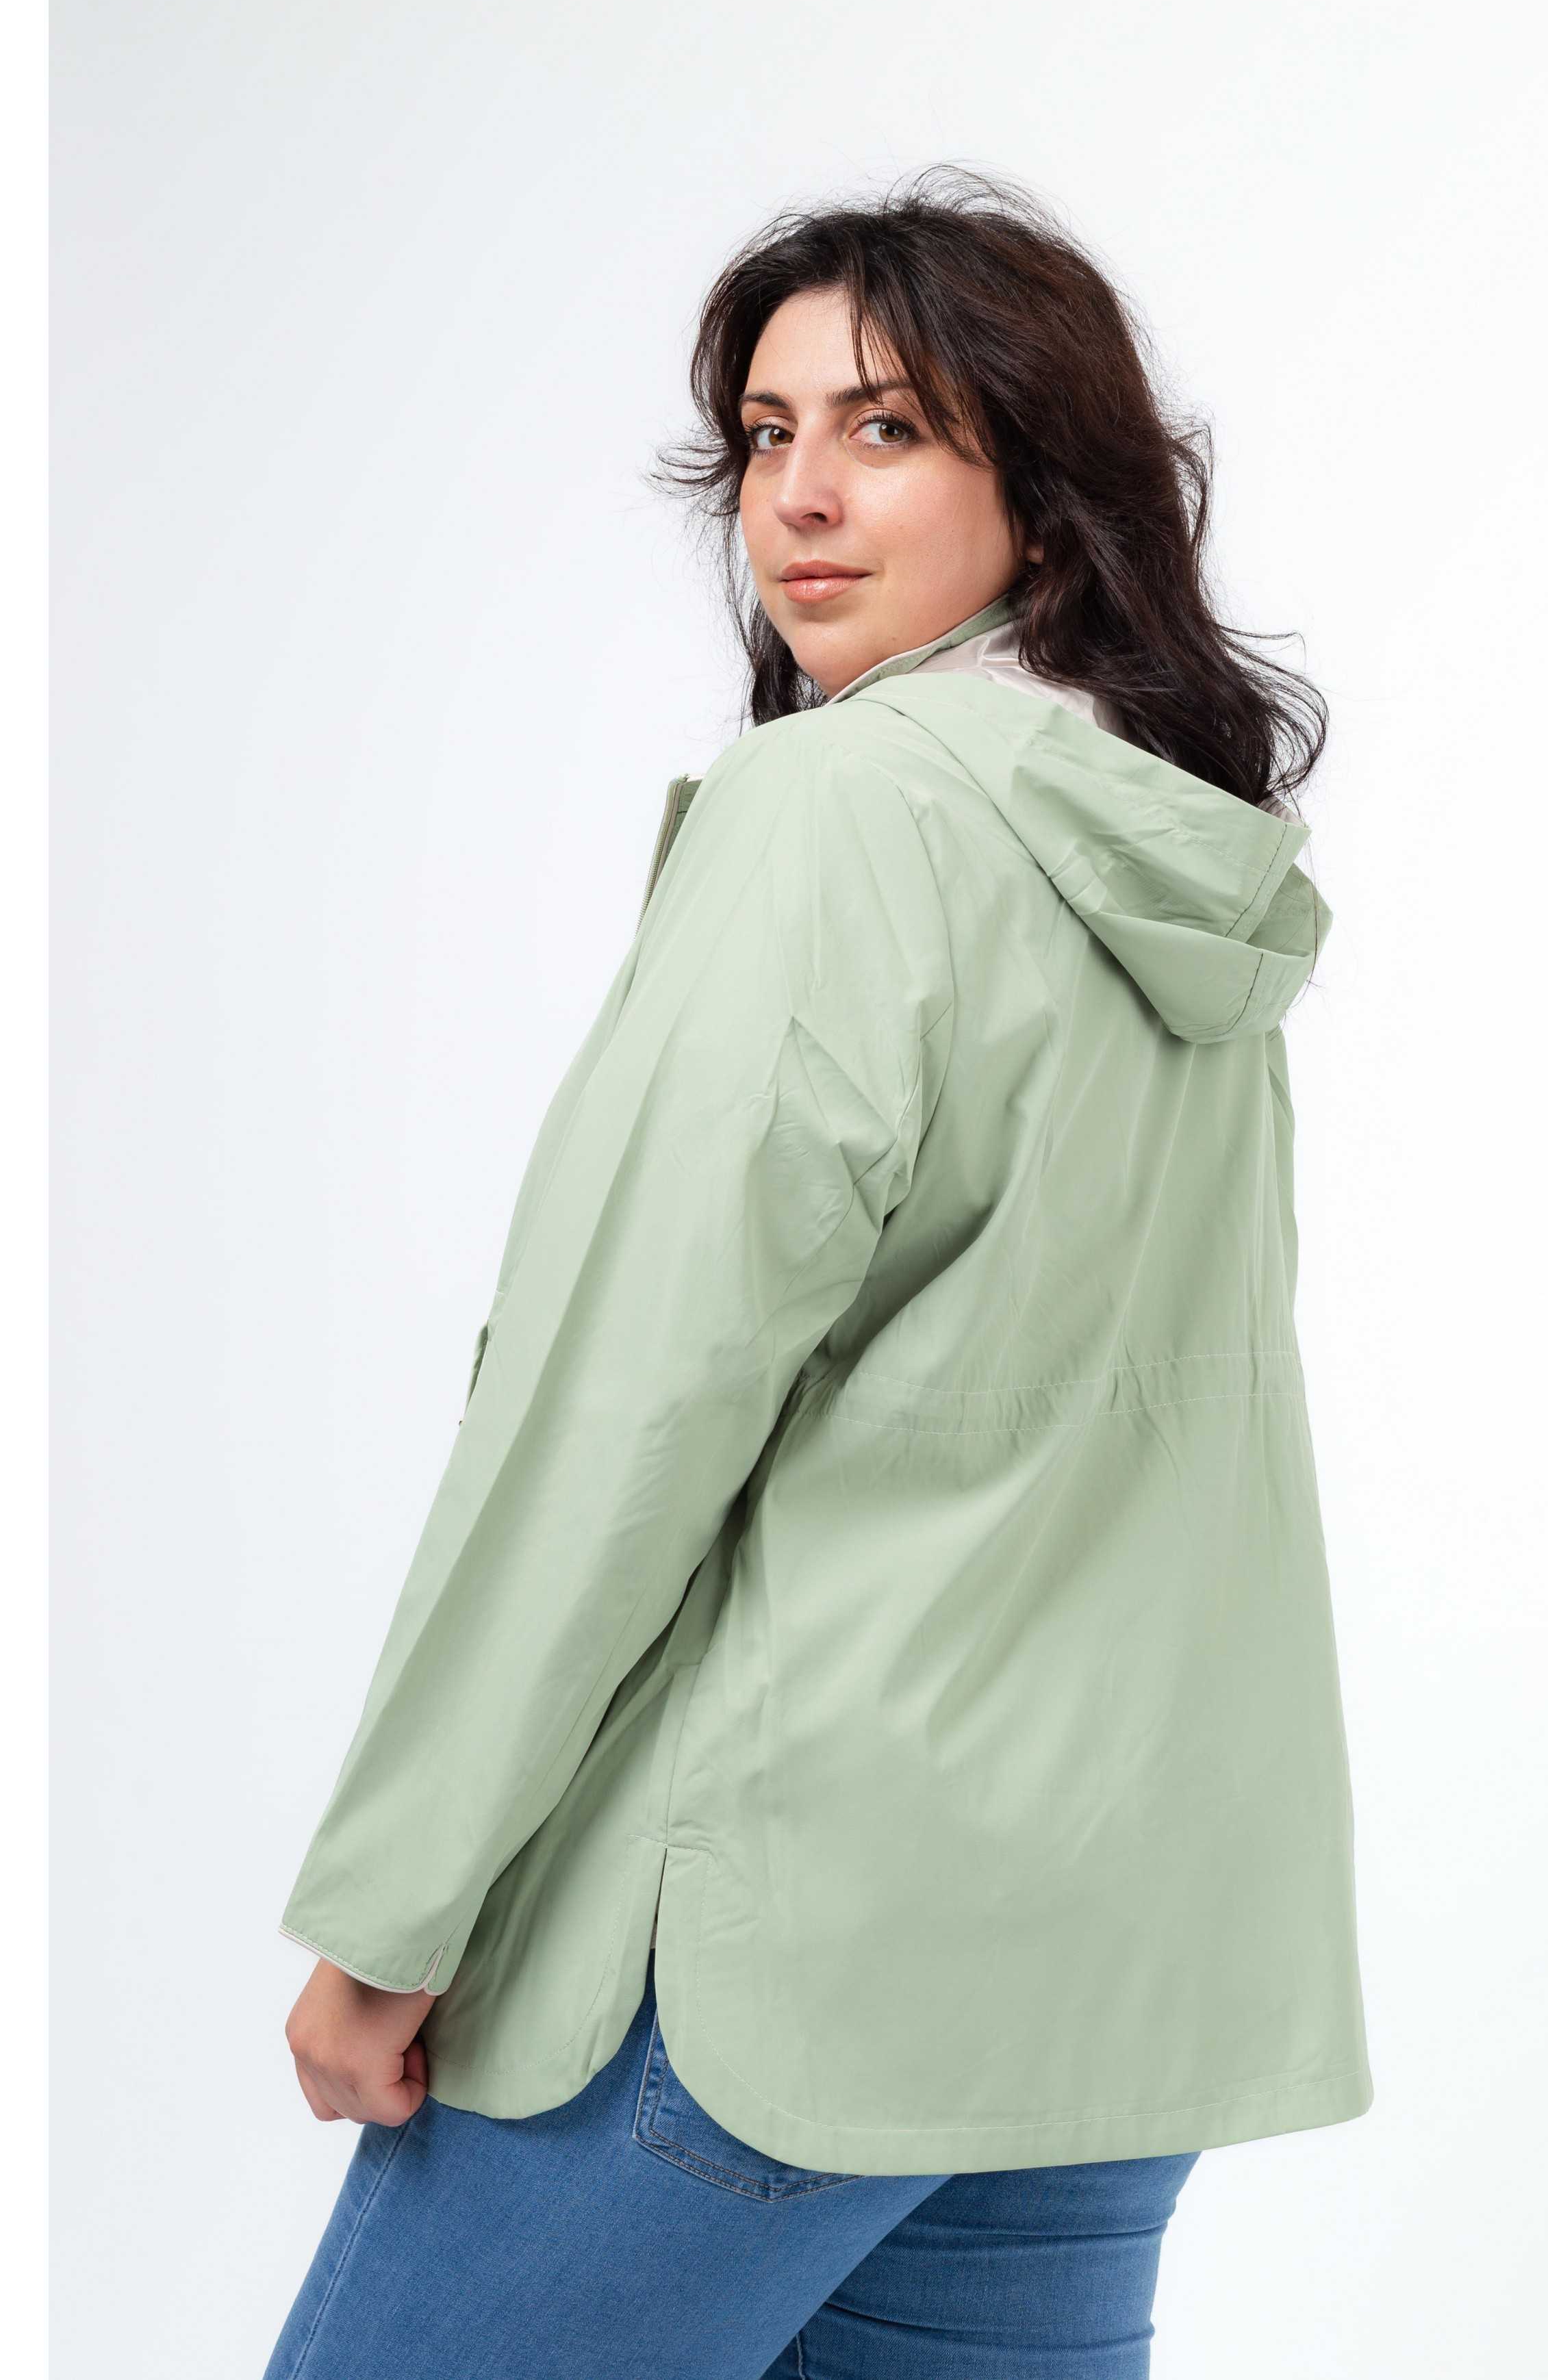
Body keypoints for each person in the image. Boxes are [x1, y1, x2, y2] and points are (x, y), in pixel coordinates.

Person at [262, 167, 1371, 2380]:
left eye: (888, 428)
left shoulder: (839, 815)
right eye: (767, 435)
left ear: (1043, 489)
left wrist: (393, 1904)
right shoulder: (1170, 863)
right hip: (1103, 1974)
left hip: (791, 1952)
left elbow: (617, 1409)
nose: (800, 497)